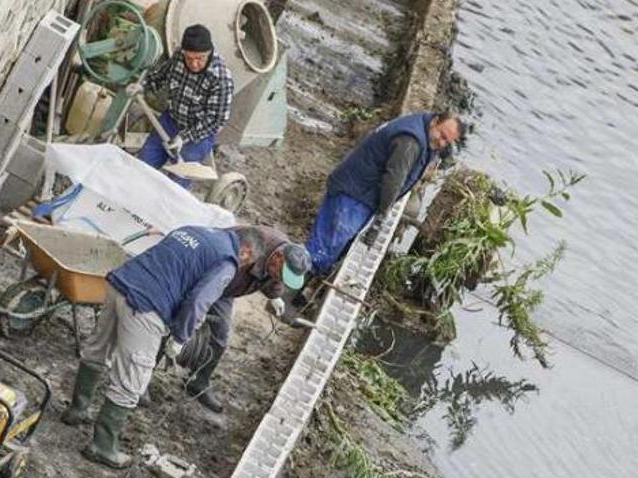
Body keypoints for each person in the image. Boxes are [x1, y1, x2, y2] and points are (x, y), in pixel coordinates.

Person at [60, 225, 257, 469]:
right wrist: (180, 338)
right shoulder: (227, 261)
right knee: (132, 378)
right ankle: (102, 446)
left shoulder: (195, 230)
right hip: (146, 308)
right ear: (246, 252)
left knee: (97, 351)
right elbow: (198, 301)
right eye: (246, 264)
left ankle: (77, 409)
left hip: (120, 282)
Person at [305, 112, 465, 275]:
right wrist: (382, 214)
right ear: (435, 122)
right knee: (324, 246)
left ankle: (307, 278)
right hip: (353, 193)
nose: (441, 142)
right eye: (442, 135)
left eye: (447, 141)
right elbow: (393, 180)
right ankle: (295, 279)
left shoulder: (424, 130)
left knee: (334, 243)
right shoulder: (411, 142)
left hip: (361, 190)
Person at [181, 226, 311, 413]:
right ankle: (144, 376)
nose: (281, 280)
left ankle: (199, 381)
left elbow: (273, 279)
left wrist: (274, 295)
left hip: (226, 291)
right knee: (173, 322)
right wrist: (201, 305)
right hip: (205, 275)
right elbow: (218, 264)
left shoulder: (283, 259)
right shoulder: (252, 247)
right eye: (281, 275)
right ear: (277, 257)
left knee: (220, 337)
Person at [128, 24, 234, 188]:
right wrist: (143, 86)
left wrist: (183, 138)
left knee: (175, 184)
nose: (194, 64)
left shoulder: (220, 79)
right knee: (142, 166)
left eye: (199, 58)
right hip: (170, 121)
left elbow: (216, 121)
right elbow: (159, 76)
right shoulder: (179, 56)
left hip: (197, 135)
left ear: (209, 53)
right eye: (189, 58)